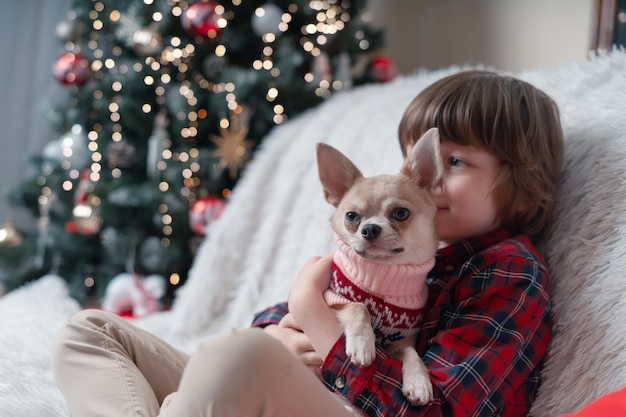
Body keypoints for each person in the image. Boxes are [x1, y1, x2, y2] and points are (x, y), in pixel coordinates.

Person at [50, 69, 564, 417]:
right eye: (416, 161)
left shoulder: (509, 271)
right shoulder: (390, 251)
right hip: (299, 386)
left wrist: (311, 315)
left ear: (522, 182)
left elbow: (441, 410)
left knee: (236, 359)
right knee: (90, 332)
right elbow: (275, 327)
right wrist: (279, 333)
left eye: (453, 163)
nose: (421, 178)